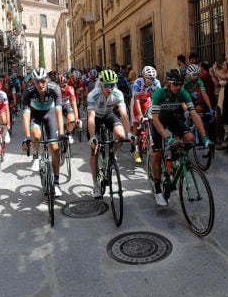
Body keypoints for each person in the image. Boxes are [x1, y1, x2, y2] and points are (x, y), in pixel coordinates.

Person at [149, 69, 213, 206]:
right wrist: (167, 137)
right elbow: (155, 119)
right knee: (158, 153)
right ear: (168, 83)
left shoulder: (183, 93)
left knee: (190, 139)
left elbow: (194, 115)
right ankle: (158, 189)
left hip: (171, 118)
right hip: (157, 121)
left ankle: (171, 158)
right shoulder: (159, 94)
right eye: (176, 84)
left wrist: (205, 137)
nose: (179, 87)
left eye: (181, 84)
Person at [86, 69, 134, 198]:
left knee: (121, 136)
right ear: (101, 84)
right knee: (94, 150)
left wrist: (129, 133)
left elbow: (124, 115)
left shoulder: (118, 94)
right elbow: (90, 117)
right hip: (95, 117)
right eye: (107, 85)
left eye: (112, 85)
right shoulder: (93, 95)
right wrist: (92, 137)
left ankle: (113, 152)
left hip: (108, 115)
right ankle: (95, 185)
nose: (110, 88)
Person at [20, 68, 65, 198]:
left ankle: (56, 183)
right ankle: (35, 156)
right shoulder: (28, 92)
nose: (41, 84)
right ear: (33, 82)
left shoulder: (55, 88)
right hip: (35, 115)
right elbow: (25, 115)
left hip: (50, 114)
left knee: (55, 148)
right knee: (36, 135)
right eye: (38, 81)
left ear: (47, 80)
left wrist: (61, 133)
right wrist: (27, 137)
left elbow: (58, 112)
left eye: (43, 81)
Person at [131, 66, 161, 164]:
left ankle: (149, 140)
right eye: (149, 79)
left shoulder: (156, 83)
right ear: (144, 77)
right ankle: (136, 151)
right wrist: (139, 116)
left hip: (147, 101)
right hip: (137, 102)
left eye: (153, 79)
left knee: (151, 120)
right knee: (136, 125)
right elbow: (136, 100)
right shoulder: (138, 83)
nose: (151, 81)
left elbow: (157, 100)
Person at [56, 74, 79, 143]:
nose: (62, 88)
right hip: (56, 105)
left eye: (64, 86)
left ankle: (68, 134)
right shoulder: (53, 89)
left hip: (66, 104)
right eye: (60, 86)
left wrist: (76, 118)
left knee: (72, 120)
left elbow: (74, 104)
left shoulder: (70, 89)